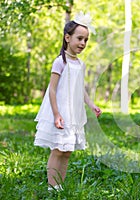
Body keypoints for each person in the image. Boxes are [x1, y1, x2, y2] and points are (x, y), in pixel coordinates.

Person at [34, 11, 102, 191]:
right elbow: (53, 89)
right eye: (79, 38)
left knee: (67, 151)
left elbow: (81, 90)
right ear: (67, 37)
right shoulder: (60, 62)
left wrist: (92, 104)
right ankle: (52, 186)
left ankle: (59, 186)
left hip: (74, 113)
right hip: (60, 112)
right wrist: (56, 114)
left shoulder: (80, 64)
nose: (82, 43)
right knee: (58, 149)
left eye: (86, 40)